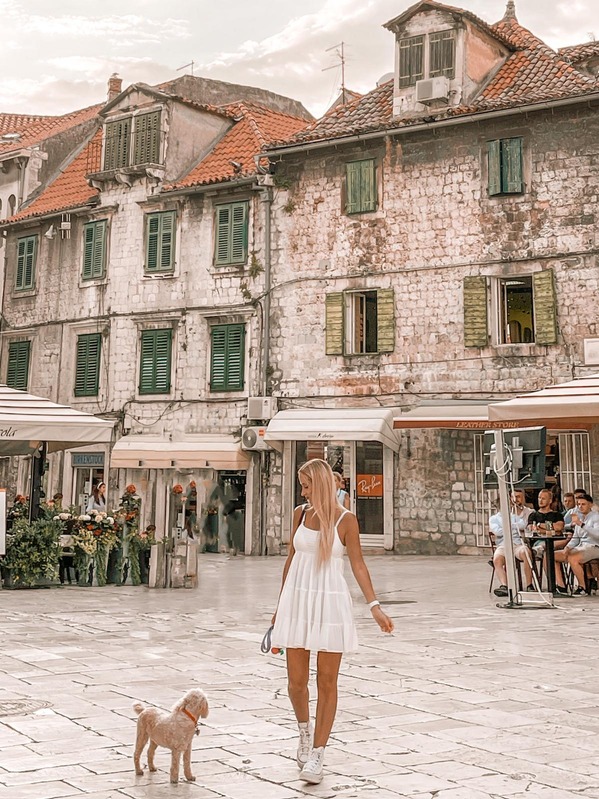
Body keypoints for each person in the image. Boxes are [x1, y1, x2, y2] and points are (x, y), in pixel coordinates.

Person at [271, 459, 393, 784]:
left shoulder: (346, 520)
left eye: (307, 485)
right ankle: (303, 732)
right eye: (302, 485)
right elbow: (290, 560)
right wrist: (279, 607)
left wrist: (375, 606)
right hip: (297, 602)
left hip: (330, 604)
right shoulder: (299, 513)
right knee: (296, 682)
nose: (303, 491)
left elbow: (359, 565)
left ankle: (318, 753)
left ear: (322, 485)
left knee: (327, 682)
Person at [554, 493, 599, 595]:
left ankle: (582, 587)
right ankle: (561, 586)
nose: (580, 506)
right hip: (581, 546)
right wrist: (567, 547)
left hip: (594, 546)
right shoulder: (580, 518)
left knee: (573, 558)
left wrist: (581, 525)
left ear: (590, 505)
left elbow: (597, 535)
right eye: (578, 504)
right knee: (553, 556)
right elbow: (576, 538)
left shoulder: (595, 517)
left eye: (583, 504)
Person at [489, 496, 535, 596]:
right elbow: (498, 532)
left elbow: (523, 524)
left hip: (516, 544)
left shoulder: (514, 516)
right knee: (497, 559)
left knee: (526, 552)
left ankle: (529, 585)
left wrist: (508, 525)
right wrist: (513, 526)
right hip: (503, 545)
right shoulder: (494, 519)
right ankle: (504, 586)